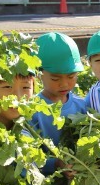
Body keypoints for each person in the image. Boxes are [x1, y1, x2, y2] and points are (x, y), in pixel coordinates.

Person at [30, 32, 88, 175]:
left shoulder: (83, 106)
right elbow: (28, 155)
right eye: (55, 79)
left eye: (71, 76)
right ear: (38, 74)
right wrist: (55, 164)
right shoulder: (32, 110)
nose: (64, 84)